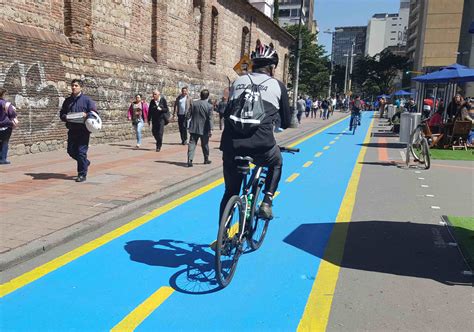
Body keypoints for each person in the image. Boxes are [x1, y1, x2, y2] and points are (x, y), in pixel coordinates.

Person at [220, 41, 292, 221]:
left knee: (230, 191)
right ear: (272, 68)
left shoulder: (238, 81)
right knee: (276, 162)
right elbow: (287, 121)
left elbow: (228, 112)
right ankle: (267, 202)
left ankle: (223, 235)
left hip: (231, 144)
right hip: (261, 145)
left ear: (253, 65)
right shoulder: (278, 86)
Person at [59, 79, 97, 182]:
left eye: (76, 85)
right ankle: (85, 162)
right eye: (72, 85)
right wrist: (65, 117)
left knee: (81, 152)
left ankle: (82, 174)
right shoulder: (67, 101)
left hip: (83, 130)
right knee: (71, 151)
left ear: (81, 87)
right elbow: (62, 114)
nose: (73, 87)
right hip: (72, 129)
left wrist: (87, 115)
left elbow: (94, 113)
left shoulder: (87, 100)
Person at [186, 89, 213, 167]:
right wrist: (211, 129)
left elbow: (188, 115)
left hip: (194, 127)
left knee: (192, 144)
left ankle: (190, 159)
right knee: (205, 144)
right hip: (204, 129)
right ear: (208, 96)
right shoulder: (209, 106)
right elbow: (210, 118)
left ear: (200, 95)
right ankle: (206, 158)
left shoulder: (194, 104)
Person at [0, 88, 19, 165]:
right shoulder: (6, 104)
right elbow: (12, 114)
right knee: (5, 142)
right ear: (3, 94)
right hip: (6, 126)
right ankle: (3, 159)